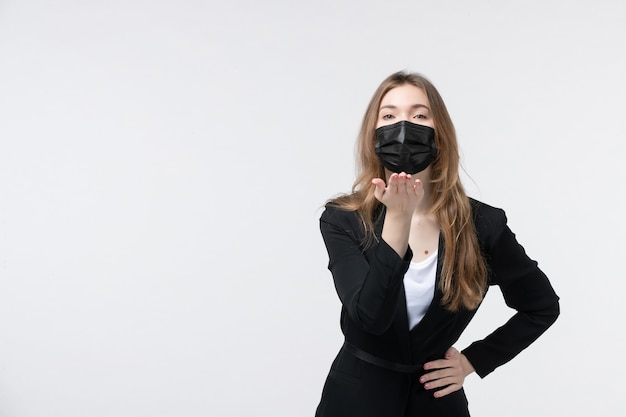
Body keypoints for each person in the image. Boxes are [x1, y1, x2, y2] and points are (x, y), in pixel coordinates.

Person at [315, 71, 560, 417]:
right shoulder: (342, 220)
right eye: (389, 116)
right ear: (373, 137)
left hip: (438, 404)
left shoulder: (482, 225)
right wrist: (398, 221)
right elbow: (369, 318)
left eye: (419, 115)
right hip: (356, 399)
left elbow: (542, 306)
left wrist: (473, 360)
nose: (403, 127)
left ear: (439, 135)